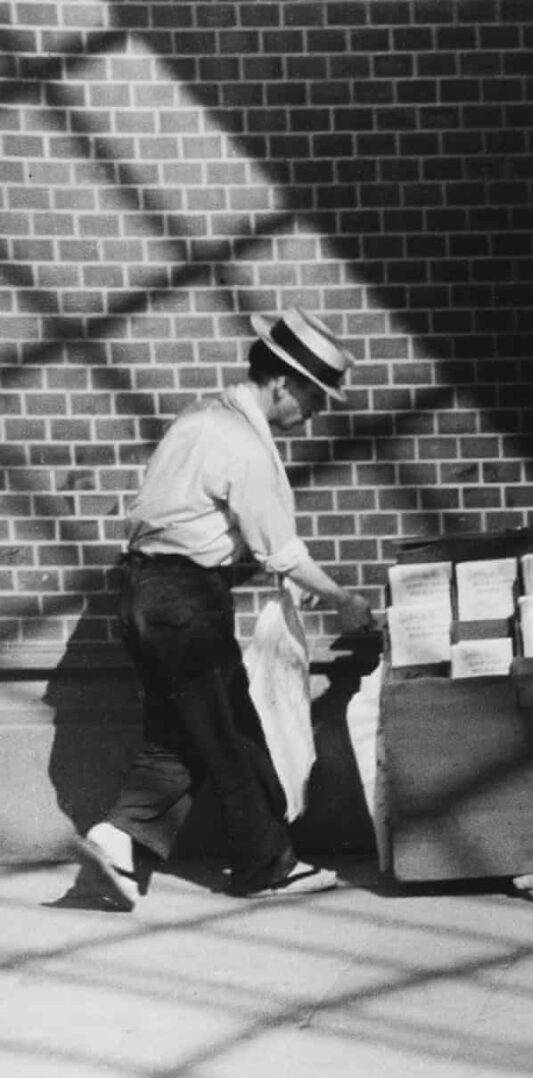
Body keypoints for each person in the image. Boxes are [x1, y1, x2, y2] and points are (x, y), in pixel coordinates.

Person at [67, 307, 376, 909]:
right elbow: (280, 549)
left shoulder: (202, 416)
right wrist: (341, 598)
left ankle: (119, 841)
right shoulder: (245, 446)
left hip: (140, 593)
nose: (314, 414)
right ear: (284, 384)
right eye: (315, 398)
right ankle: (266, 865)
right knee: (231, 734)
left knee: (178, 733)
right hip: (183, 600)